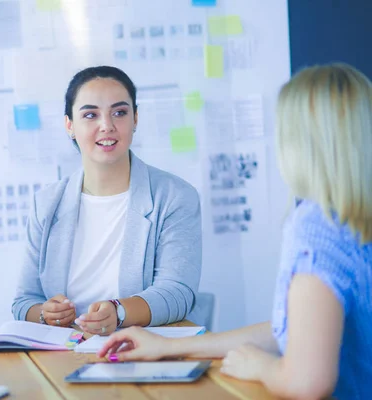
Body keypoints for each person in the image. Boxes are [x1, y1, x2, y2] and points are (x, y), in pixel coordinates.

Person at [98, 63, 372, 399]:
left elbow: (308, 381)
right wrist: (168, 345)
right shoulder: (354, 223)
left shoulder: (317, 227)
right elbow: (298, 330)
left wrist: (262, 367)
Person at [12, 66, 202, 335]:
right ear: (70, 125)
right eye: (90, 114)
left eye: (119, 113)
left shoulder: (174, 197)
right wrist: (45, 313)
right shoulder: (46, 203)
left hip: (143, 348)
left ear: (135, 119)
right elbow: (24, 301)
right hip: (63, 351)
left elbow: (178, 293)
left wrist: (119, 312)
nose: (107, 126)